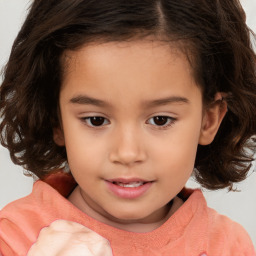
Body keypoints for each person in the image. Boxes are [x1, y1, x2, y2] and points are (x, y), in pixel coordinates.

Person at [0, 0, 256, 255]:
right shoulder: (14, 238)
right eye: (96, 120)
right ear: (57, 120)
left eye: (160, 120)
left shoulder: (228, 246)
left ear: (208, 121)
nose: (127, 153)